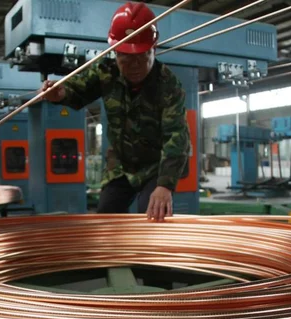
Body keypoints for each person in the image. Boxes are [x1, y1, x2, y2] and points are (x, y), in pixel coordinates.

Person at [40, 1, 191, 222]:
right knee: (106, 217)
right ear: (115, 52)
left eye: (142, 58)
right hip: (120, 166)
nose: (134, 66)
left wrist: (165, 185)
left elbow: (176, 137)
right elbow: (75, 88)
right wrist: (58, 94)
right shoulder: (105, 71)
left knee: (153, 216)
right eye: (126, 59)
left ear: (154, 50)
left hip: (155, 167)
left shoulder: (168, 86)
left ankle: (147, 256)